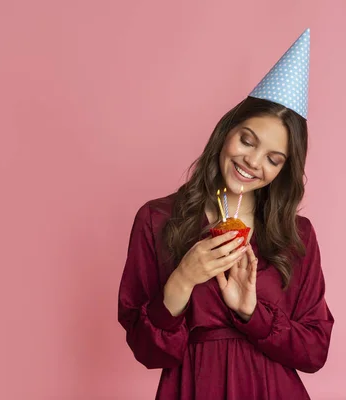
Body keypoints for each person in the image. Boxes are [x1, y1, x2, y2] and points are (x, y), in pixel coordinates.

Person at [117, 28, 334, 399]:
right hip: (192, 387)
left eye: (273, 158)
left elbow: (315, 351)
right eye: (247, 140)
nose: (252, 161)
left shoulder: (296, 234)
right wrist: (184, 278)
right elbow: (147, 350)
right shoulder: (157, 220)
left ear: (283, 170)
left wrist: (252, 312)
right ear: (226, 132)